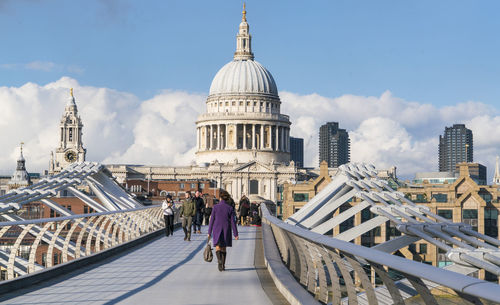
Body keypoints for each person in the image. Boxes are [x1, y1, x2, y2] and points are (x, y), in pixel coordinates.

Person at [208, 190, 239, 271]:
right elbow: (233, 222)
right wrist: (235, 234)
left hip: (216, 229)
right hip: (226, 229)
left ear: (220, 198)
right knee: (224, 248)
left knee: (218, 247)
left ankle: (219, 262)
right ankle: (223, 265)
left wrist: (209, 232)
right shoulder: (230, 208)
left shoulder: (215, 207)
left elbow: (212, 220)